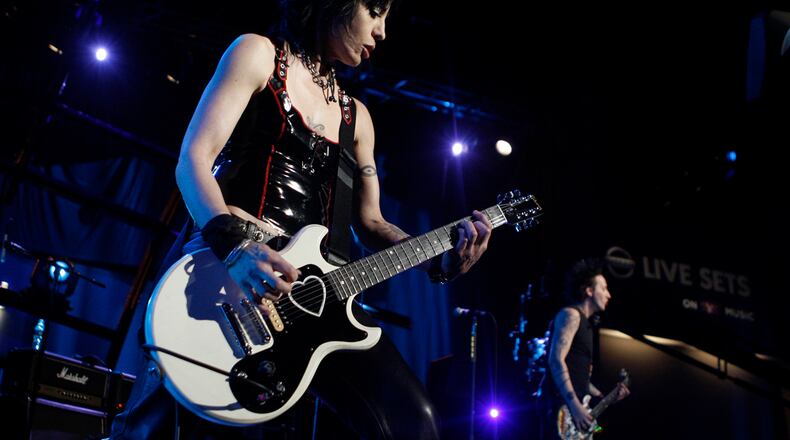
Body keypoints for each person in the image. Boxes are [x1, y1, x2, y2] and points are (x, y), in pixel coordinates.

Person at [110, 0, 493, 438]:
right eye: (375, 11)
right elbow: (193, 160)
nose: (383, 32)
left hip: (316, 297)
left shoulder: (357, 119)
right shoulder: (257, 54)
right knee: (158, 426)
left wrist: (437, 256)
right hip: (226, 272)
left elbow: (372, 224)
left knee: (414, 422)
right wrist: (234, 247)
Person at [545, 258, 629, 437]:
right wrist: (575, 407)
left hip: (574, 411)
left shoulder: (587, 326)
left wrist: (605, 396)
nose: (609, 295)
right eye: (604, 288)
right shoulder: (571, 315)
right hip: (561, 410)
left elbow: (578, 375)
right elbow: (555, 360)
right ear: (589, 290)